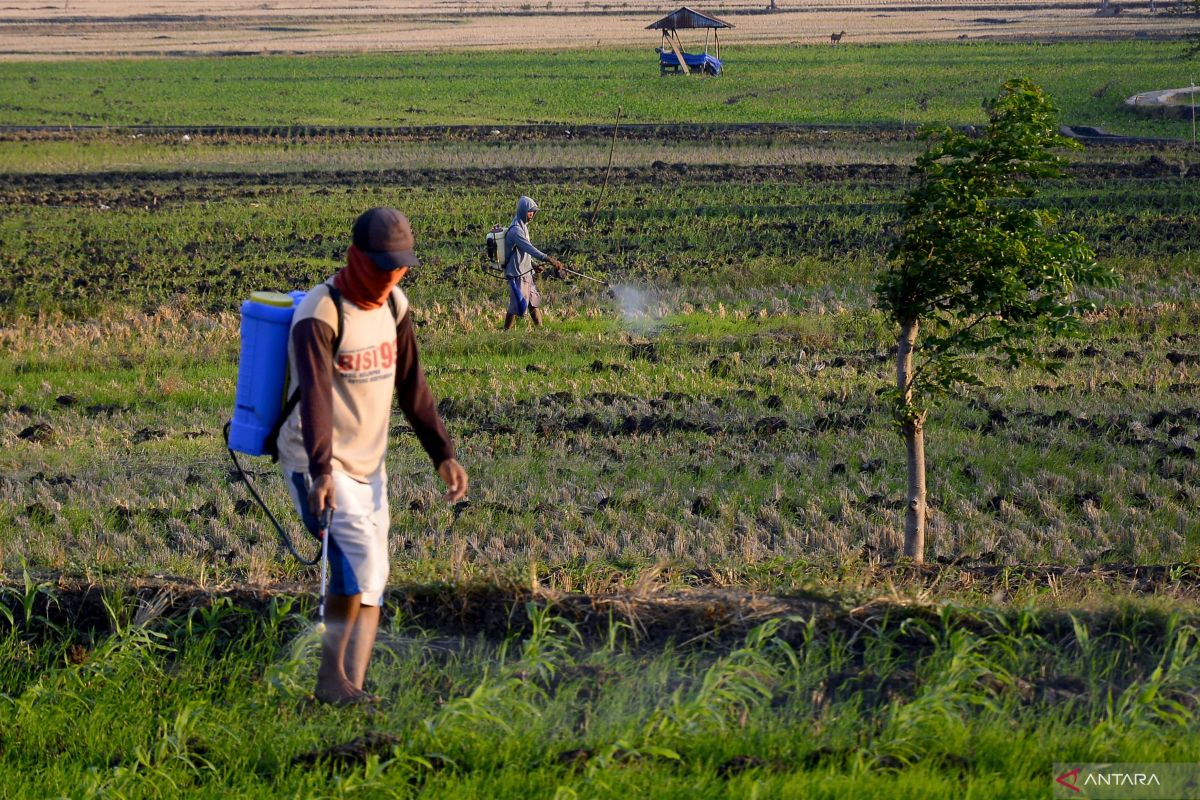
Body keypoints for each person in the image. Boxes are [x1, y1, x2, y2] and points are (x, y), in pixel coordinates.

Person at [275, 207, 468, 706]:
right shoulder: (320, 312)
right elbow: (315, 396)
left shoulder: (395, 307)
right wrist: (321, 471)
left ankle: (350, 686)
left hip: (369, 468)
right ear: (354, 258)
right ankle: (329, 680)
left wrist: (441, 454)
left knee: (374, 578)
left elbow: (413, 386)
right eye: (381, 265)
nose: (389, 276)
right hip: (318, 461)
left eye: (399, 266)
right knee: (354, 570)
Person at [503, 195, 563, 329]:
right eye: (530, 211)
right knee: (516, 305)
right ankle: (505, 333)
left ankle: (540, 330)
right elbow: (529, 249)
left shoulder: (523, 226)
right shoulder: (516, 230)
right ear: (523, 211)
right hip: (517, 273)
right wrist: (549, 259)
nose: (532, 214)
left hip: (526, 272)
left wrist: (533, 265)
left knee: (533, 302)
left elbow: (523, 253)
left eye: (534, 212)